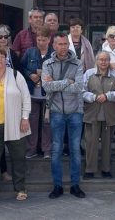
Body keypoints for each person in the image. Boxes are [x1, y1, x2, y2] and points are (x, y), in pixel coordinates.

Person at [0, 45, 31, 202]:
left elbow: (26, 97)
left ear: (6, 59)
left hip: (16, 123)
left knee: (18, 159)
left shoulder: (16, 75)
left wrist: (25, 118)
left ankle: (21, 189)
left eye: (2, 56)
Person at [42, 34, 86, 199]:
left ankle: (75, 185)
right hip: (56, 111)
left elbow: (79, 87)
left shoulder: (77, 63)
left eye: (65, 44)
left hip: (75, 111)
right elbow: (47, 86)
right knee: (57, 149)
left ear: (68, 45)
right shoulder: (47, 63)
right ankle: (57, 186)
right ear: (54, 45)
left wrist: (57, 84)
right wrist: (68, 81)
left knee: (75, 149)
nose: (62, 47)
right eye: (59, 44)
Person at [81, 52, 115, 179]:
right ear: (96, 60)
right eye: (101, 59)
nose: (103, 62)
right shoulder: (88, 73)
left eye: (106, 60)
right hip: (92, 113)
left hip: (109, 114)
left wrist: (107, 96)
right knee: (91, 143)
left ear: (109, 61)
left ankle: (106, 169)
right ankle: (89, 169)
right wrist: (93, 97)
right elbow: (81, 91)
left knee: (107, 143)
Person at [21, 27, 54, 159]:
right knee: (32, 122)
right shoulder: (30, 52)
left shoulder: (53, 53)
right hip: (32, 93)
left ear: (49, 40)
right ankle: (31, 149)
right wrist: (30, 75)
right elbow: (21, 67)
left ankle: (46, 149)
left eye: (44, 40)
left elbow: (58, 70)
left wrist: (46, 74)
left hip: (48, 94)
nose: (41, 42)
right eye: (39, 39)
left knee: (47, 123)